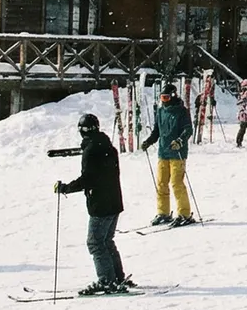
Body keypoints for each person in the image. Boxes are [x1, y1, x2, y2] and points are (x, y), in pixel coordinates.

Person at [55, 113, 129, 295]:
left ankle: (107, 281)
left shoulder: (91, 151)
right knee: (106, 241)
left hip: (100, 204)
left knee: (95, 243)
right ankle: (117, 277)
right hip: (114, 201)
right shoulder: (108, 147)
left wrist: (66, 188)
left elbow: (88, 179)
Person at [140, 84, 195, 225]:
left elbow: (188, 129)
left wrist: (180, 141)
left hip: (177, 152)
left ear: (173, 96)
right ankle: (163, 212)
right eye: (162, 98)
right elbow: (156, 131)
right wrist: (148, 142)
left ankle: (184, 214)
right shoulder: (160, 111)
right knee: (161, 183)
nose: (164, 101)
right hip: (163, 152)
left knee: (176, 183)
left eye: (166, 98)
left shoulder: (182, 111)